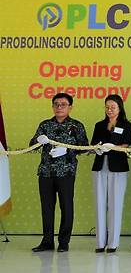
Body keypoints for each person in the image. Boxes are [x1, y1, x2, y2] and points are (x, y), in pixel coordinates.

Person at [29, 92, 88, 252]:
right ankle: (47, 241)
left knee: (66, 207)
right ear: (52, 106)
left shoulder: (77, 126)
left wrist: (67, 151)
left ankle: (64, 242)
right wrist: (37, 140)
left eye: (63, 104)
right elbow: (32, 143)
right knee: (47, 208)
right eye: (56, 104)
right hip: (46, 173)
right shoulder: (45, 125)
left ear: (70, 107)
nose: (59, 107)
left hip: (66, 173)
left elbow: (84, 147)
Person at [90, 94, 131, 253]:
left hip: (118, 167)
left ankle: (113, 243)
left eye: (113, 107)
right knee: (99, 204)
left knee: (115, 204)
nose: (109, 110)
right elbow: (93, 144)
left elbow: (127, 144)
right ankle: (100, 243)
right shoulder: (99, 125)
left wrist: (112, 146)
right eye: (107, 107)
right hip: (100, 166)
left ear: (119, 108)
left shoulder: (126, 125)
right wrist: (99, 147)